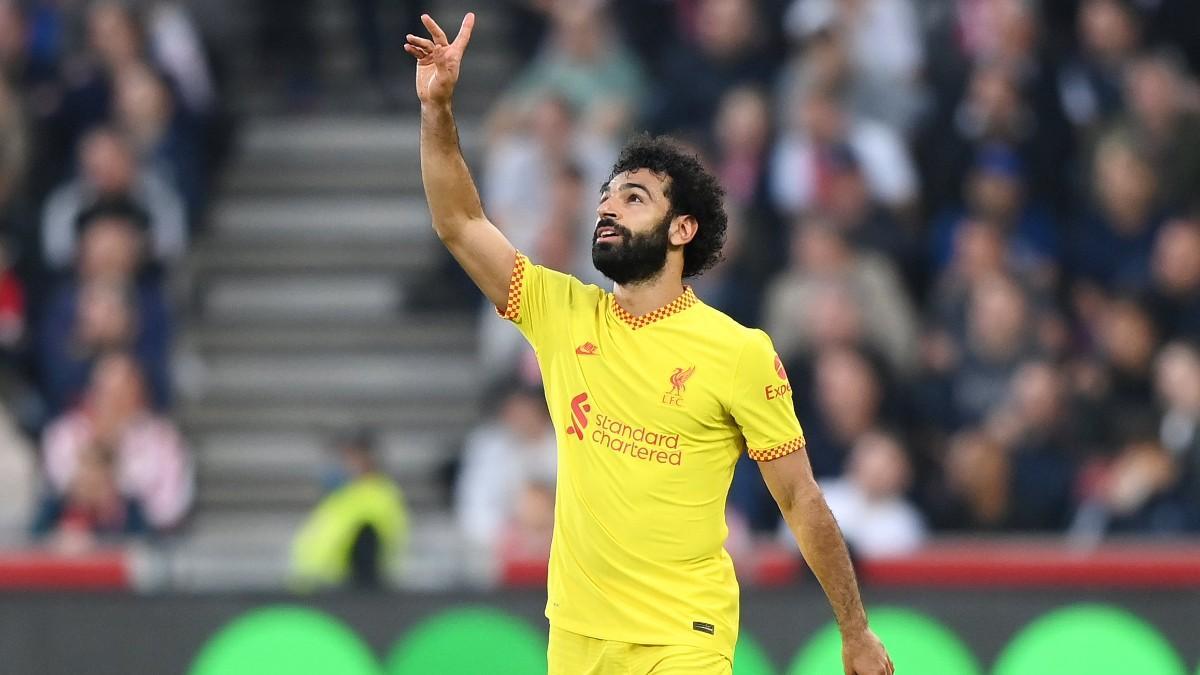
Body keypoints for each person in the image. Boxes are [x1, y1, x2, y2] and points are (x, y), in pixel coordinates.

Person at [404, 14, 893, 675]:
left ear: (683, 227)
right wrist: (437, 111)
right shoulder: (560, 310)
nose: (607, 208)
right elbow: (460, 222)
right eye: (607, 197)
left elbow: (800, 499)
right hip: (576, 642)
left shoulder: (738, 350)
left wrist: (854, 629)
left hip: (682, 642)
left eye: (633, 197)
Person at [290, 430, 408, 590]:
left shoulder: (375, 499)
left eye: (346, 457)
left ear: (365, 459)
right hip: (320, 594)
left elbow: (368, 558)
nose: (338, 463)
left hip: (343, 597)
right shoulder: (345, 495)